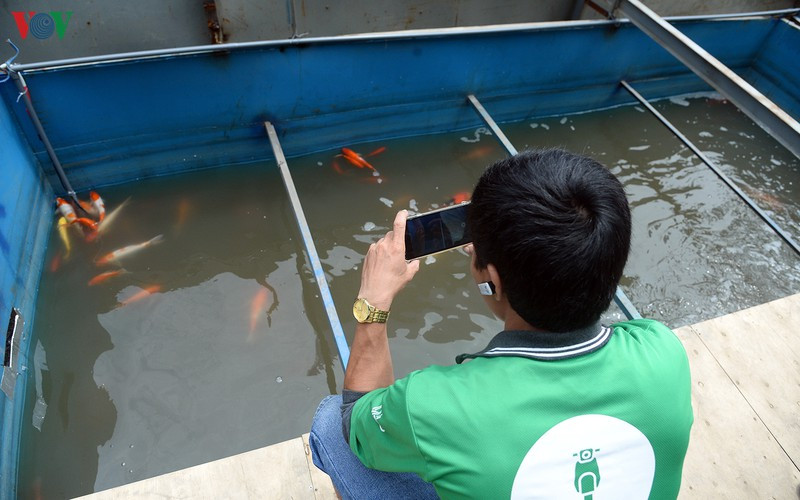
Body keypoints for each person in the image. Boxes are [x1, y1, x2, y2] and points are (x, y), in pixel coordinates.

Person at [309, 149, 693, 499]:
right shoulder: (663, 353)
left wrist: (373, 304)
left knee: (333, 423)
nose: (471, 247)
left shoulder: (433, 405)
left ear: (491, 279)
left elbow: (357, 419)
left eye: (476, 244)